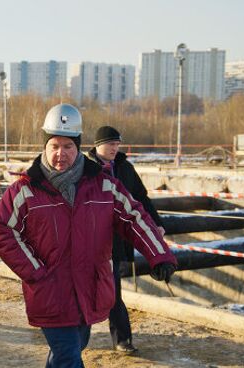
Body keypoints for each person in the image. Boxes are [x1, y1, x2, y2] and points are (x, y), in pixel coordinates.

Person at [0, 103, 177, 368]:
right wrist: (36, 273)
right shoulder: (25, 189)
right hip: (50, 291)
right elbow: (4, 233)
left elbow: (134, 217)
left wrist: (159, 255)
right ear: (44, 146)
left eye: (67, 146)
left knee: (69, 351)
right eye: (54, 146)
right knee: (68, 356)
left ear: (78, 146)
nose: (60, 154)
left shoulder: (103, 185)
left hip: (89, 289)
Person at [86, 125, 165, 354]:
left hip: (116, 241)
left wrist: (156, 223)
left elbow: (140, 198)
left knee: (113, 289)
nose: (115, 148)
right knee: (82, 289)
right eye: (111, 143)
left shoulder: (125, 168)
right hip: (89, 240)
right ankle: (72, 334)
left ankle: (122, 339)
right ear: (98, 144)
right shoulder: (84, 169)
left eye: (117, 144)